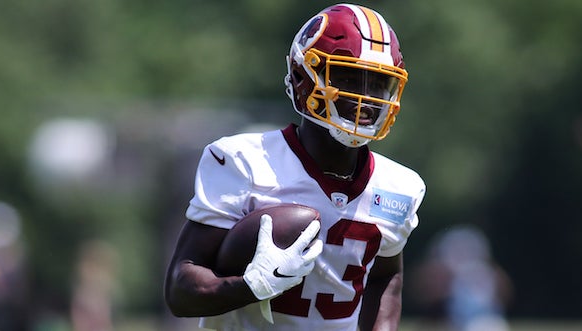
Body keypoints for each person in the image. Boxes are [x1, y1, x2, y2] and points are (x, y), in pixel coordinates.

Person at [164, 3, 426, 331]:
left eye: (377, 83)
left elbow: (385, 276)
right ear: (303, 78)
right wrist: (250, 286)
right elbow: (180, 290)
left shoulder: (399, 187)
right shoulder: (245, 163)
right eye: (347, 77)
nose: (366, 98)